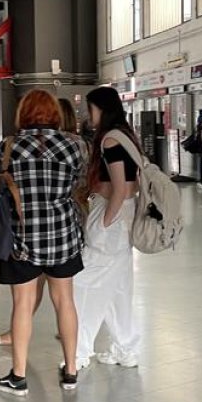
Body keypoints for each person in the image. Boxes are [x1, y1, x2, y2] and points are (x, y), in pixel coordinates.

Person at [0, 90, 86, 397]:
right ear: (55, 114)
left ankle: (18, 376)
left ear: (23, 114)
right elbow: (80, 185)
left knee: (23, 304)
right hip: (63, 235)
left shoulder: (9, 147)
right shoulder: (74, 146)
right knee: (65, 301)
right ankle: (70, 371)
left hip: (22, 238)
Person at [72, 86, 140, 371]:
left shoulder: (110, 141)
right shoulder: (126, 136)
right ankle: (126, 349)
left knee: (84, 282)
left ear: (102, 108)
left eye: (91, 109)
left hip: (112, 213)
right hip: (124, 214)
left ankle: (78, 352)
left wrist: (104, 221)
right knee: (118, 288)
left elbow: (120, 187)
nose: (89, 115)